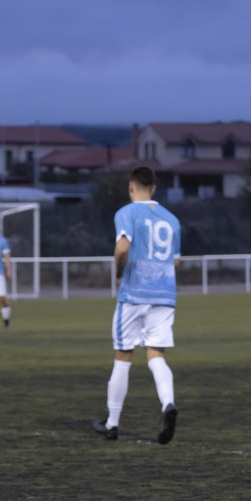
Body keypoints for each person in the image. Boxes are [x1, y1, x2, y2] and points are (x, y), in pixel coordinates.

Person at [91, 166, 182, 445]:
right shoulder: (173, 219)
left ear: (132, 187)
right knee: (156, 355)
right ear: (154, 188)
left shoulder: (126, 213)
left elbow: (121, 248)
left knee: (123, 355)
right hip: (165, 295)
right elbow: (175, 261)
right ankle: (167, 404)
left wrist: (119, 273)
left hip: (134, 294)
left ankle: (112, 423)